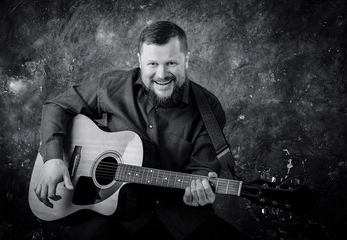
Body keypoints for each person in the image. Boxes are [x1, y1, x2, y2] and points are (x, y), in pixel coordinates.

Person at [33, 20, 249, 240]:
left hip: (177, 212)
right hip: (111, 211)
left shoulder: (208, 109)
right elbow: (57, 106)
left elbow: (203, 171)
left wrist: (199, 191)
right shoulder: (113, 85)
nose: (162, 74)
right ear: (139, 61)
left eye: (171, 63)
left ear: (186, 60)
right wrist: (53, 158)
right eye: (152, 64)